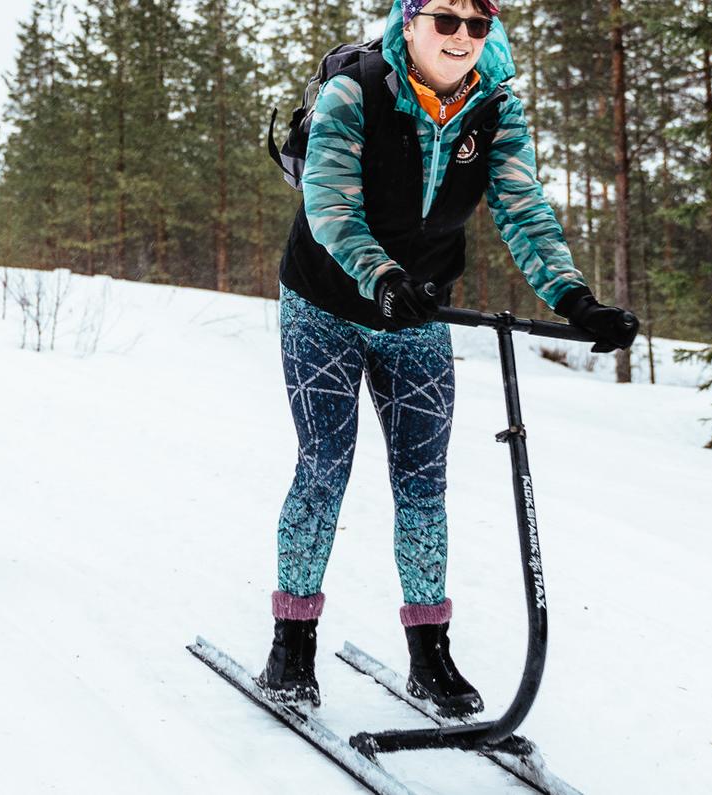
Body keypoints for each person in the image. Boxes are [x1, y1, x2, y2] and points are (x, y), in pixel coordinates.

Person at [257, 0, 638, 714]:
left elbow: (523, 211)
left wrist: (575, 298)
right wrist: (382, 276)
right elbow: (330, 204)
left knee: (423, 483)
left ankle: (430, 654)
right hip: (325, 305)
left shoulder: (494, 108)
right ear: (409, 22)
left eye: (477, 23)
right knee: (323, 468)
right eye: (445, 19)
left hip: (417, 313)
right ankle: (292, 640)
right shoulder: (357, 90)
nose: (462, 36)